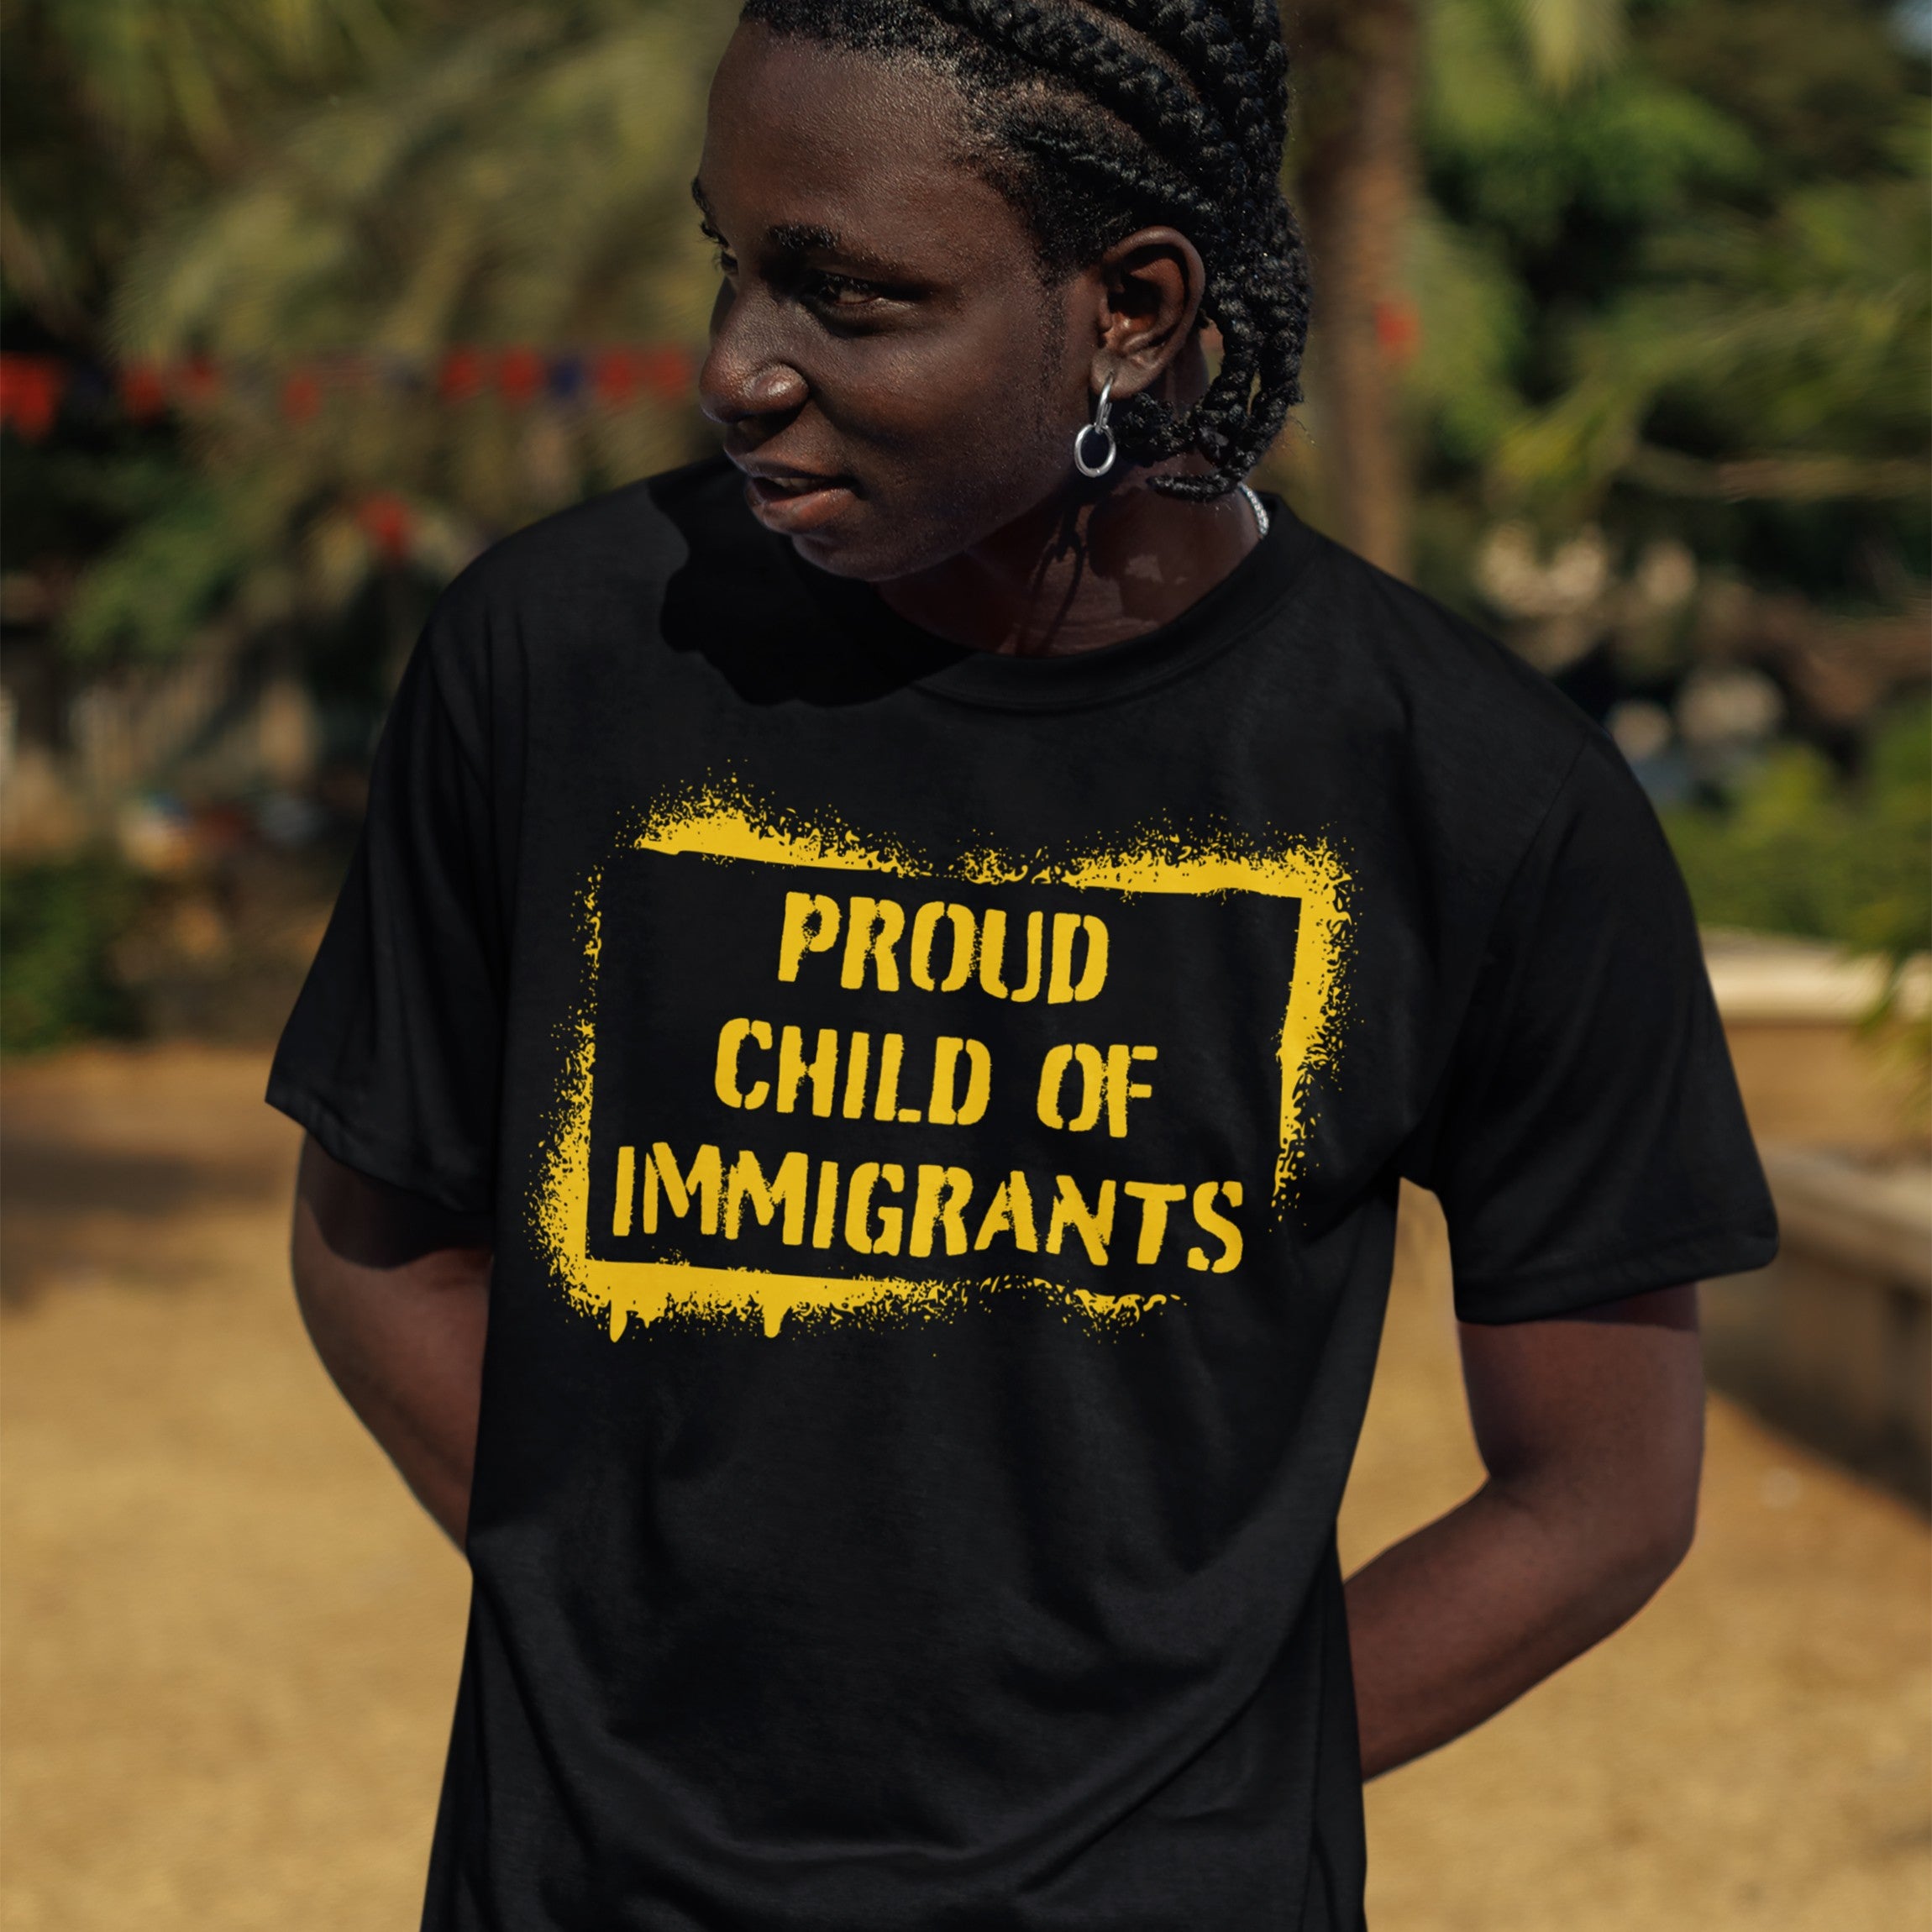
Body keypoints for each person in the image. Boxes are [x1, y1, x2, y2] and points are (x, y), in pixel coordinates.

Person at [275, 3, 1777, 1926]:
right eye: (733, 266)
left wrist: (1165, 1804)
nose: (739, 367)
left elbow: (1598, 1494)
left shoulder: (1476, 794)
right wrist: (624, 1640)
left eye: (850, 299)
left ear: (1131, 308)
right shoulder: (559, 658)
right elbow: (382, 1244)